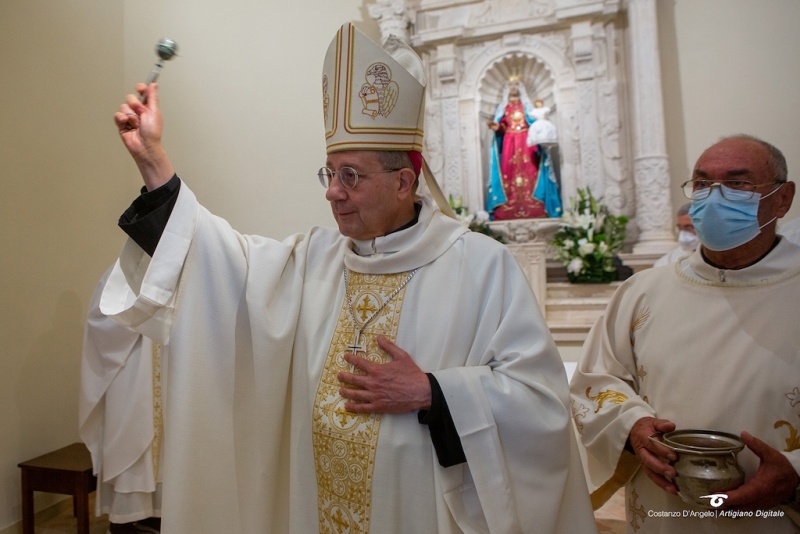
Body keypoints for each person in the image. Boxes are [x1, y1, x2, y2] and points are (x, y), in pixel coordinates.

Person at [101, 23, 597, 533]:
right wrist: (153, 161)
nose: (332, 192)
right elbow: (225, 266)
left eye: (351, 176)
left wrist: (434, 391)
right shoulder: (315, 259)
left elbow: (541, 405)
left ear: (405, 181)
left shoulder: (482, 266)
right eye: (329, 172)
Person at [570, 134, 800, 532]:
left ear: (783, 198)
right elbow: (596, 380)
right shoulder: (642, 291)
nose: (715, 198)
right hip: (666, 510)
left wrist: (795, 473)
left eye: (738, 184)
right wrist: (633, 428)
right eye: (702, 184)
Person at [79, 268, 163, 534]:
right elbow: (100, 322)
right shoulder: (118, 274)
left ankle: (153, 511)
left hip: (160, 371)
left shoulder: (165, 276)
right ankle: (124, 518)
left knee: (161, 447)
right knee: (131, 440)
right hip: (129, 372)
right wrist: (144, 312)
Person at [485, 78, 547, 220]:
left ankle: (533, 205)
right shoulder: (504, 107)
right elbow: (502, 125)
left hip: (526, 141)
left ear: (520, 87)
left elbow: (533, 122)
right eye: (510, 85)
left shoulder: (525, 106)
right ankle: (508, 207)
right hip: (509, 142)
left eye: (516, 84)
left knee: (530, 169)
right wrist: (497, 127)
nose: (513, 87)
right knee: (508, 170)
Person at [652, 203, 699, 267]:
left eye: (689, 227)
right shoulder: (666, 262)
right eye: (680, 228)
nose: (683, 233)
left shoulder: (714, 256)